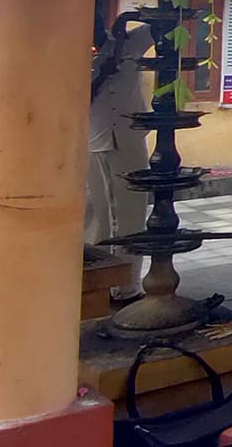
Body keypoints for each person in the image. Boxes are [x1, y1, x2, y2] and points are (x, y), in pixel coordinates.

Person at [85, 19, 153, 301]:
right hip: (94, 142)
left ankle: (127, 286)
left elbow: (169, 18)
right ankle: (101, 282)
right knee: (98, 216)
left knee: (132, 213)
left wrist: (129, 18)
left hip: (129, 139)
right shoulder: (69, 56)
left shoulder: (128, 43)